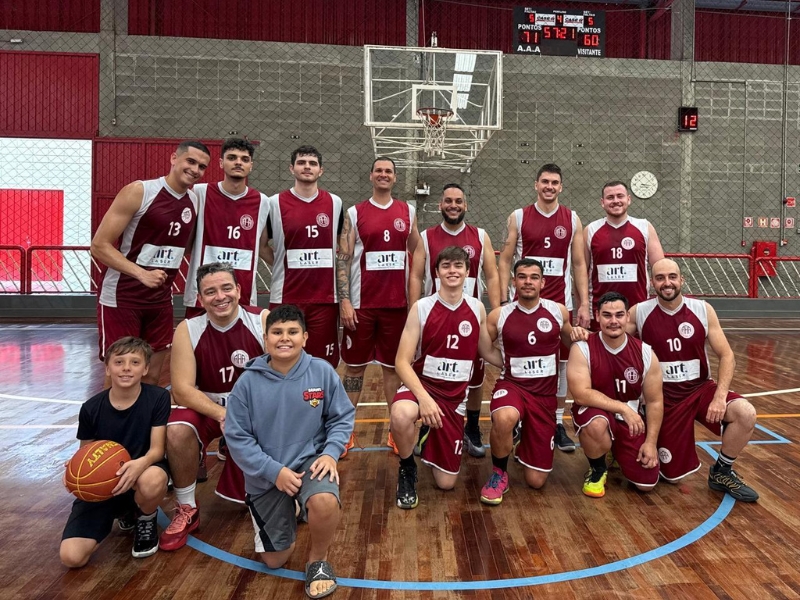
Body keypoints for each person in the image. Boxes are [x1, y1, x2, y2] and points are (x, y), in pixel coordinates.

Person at [225, 305, 355, 599]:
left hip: (310, 461)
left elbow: (342, 417)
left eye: (293, 332)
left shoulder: (321, 371)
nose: (285, 338)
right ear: (265, 338)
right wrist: (274, 472)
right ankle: (294, 505)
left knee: (324, 500)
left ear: (305, 337)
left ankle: (318, 561)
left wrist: (330, 453)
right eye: (277, 332)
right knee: (276, 560)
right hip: (266, 473)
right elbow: (237, 438)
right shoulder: (246, 383)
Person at [628, 258, 759, 502]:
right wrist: (581, 334)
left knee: (745, 413)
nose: (667, 283)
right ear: (652, 283)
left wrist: (720, 398)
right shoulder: (640, 311)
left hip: (699, 389)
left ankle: (722, 471)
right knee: (671, 476)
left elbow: (727, 355)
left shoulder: (702, 309)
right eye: (660, 278)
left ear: (681, 280)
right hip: (664, 399)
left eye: (672, 277)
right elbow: (609, 338)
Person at [160, 262, 269, 552]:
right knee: (177, 430)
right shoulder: (188, 329)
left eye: (226, 288)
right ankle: (186, 507)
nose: (220, 297)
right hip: (209, 408)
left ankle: (281, 492)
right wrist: (223, 414)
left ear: (239, 290)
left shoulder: (262, 321)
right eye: (210, 292)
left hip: (255, 410)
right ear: (200, 297)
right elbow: (182, 389)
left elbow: (281, 378)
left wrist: (244, 414)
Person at [92, 140, 211, 386]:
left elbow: (184, 246)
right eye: (190, 161)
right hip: (122, 297)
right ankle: (111, 425)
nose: (195, 169)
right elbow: (99, 246)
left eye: (202, 166)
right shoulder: (140, 191)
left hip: (160, 300)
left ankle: (146, 425)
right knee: (121, 376)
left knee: (153, 375)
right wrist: (141, 274)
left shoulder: (195, 201)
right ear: (173, 159)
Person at [390, 246, 494, 509]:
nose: (452, 271)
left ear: (468, 272)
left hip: (454, 399)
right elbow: (401, 362)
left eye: (458, 266)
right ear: (436, 272)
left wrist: (517, 361)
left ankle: (428, 434)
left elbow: (487, 351)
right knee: (401, 413)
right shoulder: (422, 308)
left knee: (446, 483)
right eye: (446, 266)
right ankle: (407, 468)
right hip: (422, 388)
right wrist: (424, 399)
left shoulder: (477, 308)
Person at [480, 259, 588, 505]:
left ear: (543, 282)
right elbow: (484, 347)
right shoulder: (499, 315)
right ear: (514, 281)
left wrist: (580, 337)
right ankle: (499, 473)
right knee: (505, 417)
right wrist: (506, 362)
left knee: (536, 481)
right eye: (522, 276)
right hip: (513, 386)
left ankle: (522, 440)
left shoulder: (558, 311)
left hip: (544, 396)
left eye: (533, 277)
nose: (527, 281)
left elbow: (571, 342)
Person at [498, 163, 589, 452]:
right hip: (522, 304)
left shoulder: (572, 219)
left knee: (560, 364)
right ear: (536, 185)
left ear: (561, 187)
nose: (549, 187)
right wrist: (502, 299)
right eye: (545, 182)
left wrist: (584, 302)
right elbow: (505, 259)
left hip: (560, 304)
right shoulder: (519, 216)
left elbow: (578, 263)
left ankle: (557, 421)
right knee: (519, 361)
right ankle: (519, 418)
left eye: (555, 182)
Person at [60, 337, 170, 567]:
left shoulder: (158, 398)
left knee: (154, 478)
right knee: (71, 558)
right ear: (108, 368)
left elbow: (157, 450)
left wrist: (138, 465)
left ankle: (145, 519)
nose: (127, 368)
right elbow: (85, 453)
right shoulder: (91, 408)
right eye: (119, 362)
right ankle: (123, 512)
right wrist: (75, 472)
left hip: (139, 476)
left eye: (135, 362)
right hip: (104, 485)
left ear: (146, 368)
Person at [409, 183, 501, 458]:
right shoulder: (426, 237)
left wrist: (496, 313)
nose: (453, 205)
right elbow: (415, 276)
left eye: (458, 201)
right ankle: (428, 425)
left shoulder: (480, 236)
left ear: (465, 205)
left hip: (469, 319)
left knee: (474, 378)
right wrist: (413, 310)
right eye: (448, 200)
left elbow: (493, 275)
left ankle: (471, 427)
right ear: (440, 205)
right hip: (435, 320)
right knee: (432, 374)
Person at [337, 157, 421, 456]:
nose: (384, 175)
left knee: (392, 369)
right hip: (362, 305)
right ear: (371, 175)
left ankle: (396, 431)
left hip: (396, 306)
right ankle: (344, 432)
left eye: (389, 171)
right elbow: (344, 258)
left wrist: (415, 300)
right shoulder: (354, 212)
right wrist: (345, 299)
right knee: (355, 367)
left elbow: (416, 254)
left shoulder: (408, 212)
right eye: (379, 170)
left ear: (395, 178)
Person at [566, 291, 663, 498]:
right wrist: (622, 407)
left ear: (628, 317)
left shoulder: (645, 352)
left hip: (629, 420)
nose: (613, 321)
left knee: (647, 483)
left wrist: (651, 443)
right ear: (597, 317)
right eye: (607, 315)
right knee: (597, 424)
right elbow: (581, 394)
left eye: (619, 315)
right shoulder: (583, 348)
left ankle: (615, 449)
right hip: (596, 413)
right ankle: (598, 468)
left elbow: (655, 401)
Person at [261, 146, 343, 368]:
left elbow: (341, 248)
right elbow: (261, 245)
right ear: (291, 168)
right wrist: (281, 263)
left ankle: (320, 403)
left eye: (312, 163)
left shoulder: (335, 203)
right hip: (287, 295)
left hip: (325, 299)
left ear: (321, 171)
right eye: (302, 162)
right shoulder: (273, 203)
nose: (307, 166)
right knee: (283, 359)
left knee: (324, 364)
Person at [183, 138, 270, 318]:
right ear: (222, 163)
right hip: (203, 293)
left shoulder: (263, 202)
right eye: (232, 157)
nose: (238, 162)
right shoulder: (200, 193)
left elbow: (262, 246)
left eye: (244, 159)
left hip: (243, 295)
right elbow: (185, 242)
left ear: (251, 166)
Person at [584, 181, 664, 329]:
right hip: (601, 310)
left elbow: (661, 268)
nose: (615, 201)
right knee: (600, 351)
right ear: (602, 202)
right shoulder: (590, 230)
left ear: (628, 199)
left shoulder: (644, 227)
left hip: (638, 309)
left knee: (637, 351)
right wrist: (583, 305)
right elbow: (581, 272)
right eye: (610, 197)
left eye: (620, 196)